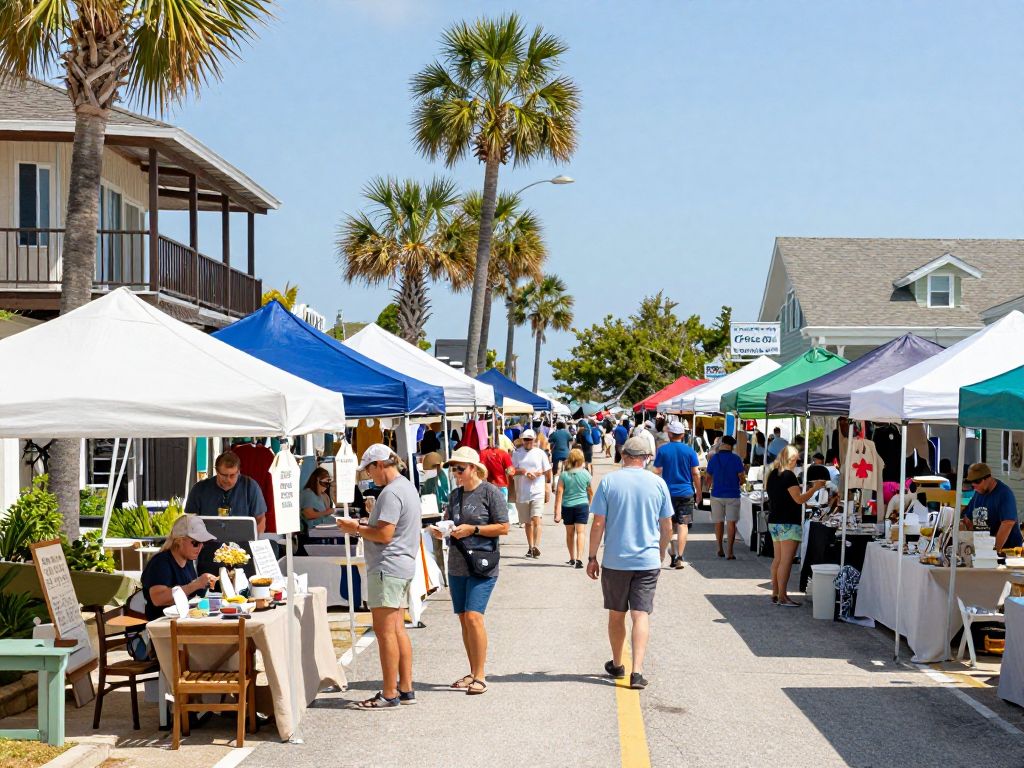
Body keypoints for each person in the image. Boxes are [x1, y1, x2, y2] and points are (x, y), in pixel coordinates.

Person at [336, 444, 422, 709]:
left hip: (388, 566)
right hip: (401, 564)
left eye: (369, 469)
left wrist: (357, 528)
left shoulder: (392, 492)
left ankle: (389, 692)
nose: (368, 476)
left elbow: (384, 535)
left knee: (385, 633)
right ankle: (404, 688)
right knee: (397, 629)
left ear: (380, 465)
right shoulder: (406, 486)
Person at [587, 437, 673, 691]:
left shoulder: (610, 482)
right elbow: (666, 525)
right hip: (647, 560)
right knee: (641, 614)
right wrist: (661, 551)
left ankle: (617, 663)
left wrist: (592, 556)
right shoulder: (658, 483)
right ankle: (637, 671)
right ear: (646, 457)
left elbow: (599, 523)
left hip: (616, 559)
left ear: (623, 455)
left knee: (617, 614)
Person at [430, 447, 509, 696]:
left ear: (474, 468)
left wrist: (473, 530)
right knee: (464, 619)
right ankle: (473, 671)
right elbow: (450, 521)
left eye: (460, 468)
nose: (456, 473)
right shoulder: (455, 496)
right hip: (457, 562)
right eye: (454, 468)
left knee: (474, 617)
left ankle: (481, 675)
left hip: (482, 563)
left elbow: (504, 527)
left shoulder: (490, 492)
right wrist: (441, 530)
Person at [765, 446, 826, 607]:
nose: (798, 462)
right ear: (791, 459)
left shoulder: (772, 474)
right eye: (796, 459)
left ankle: (776, 593)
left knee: (778, 559)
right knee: (785, 561)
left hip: (774, 520)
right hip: (788, 522)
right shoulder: (788, 475)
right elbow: (798, 499)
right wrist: (815, 488)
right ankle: (783, 596)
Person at [141, 515, 217, 621]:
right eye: (195, 543)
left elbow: (191, 593)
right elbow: (158, 599)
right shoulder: (161, 563)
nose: (200, 547)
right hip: (164, 625)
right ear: (179, 541)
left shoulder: (188, 561)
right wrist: (195, 584)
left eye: (202, 543)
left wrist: (204, 584)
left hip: (184, 621)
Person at [652, 421, 702, 569]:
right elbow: (695, 473)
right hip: (686, 493)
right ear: (683, 434)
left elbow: (656, 471)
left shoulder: (662, 450)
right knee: (683, 524)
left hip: (667, 493)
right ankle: (680, 556)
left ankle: (673, 555)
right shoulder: (690, 451)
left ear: (669, 434)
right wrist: (699, 492)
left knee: (670, 525)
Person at [184, 450, 268, 533]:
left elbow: (260, 520)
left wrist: (254, 542)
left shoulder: (250, 487)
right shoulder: (199, 489)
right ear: (216, 471)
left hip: (242, 543)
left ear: (239, 472)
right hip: (207, 543)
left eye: (232, 475)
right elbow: (190, 520)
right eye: (224, 475)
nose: (228, 479)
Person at [508, 429, 552, 558]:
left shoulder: (540, 453)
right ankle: (530, 546)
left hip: (537, 491)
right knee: (527, 522)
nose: (528, 442)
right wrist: (523, 472)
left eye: (530, 439)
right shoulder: (517, 454)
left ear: (534, 440)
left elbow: (547, 470)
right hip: (522, 492)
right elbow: (511, 471)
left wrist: (546, 484)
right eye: (526, 439)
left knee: (536, 518)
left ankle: (536, 546)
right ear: (522, 440)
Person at [962, 463, 1024, 550]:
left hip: (1006, 551)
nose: (974, 485)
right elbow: (968, 519)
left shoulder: (1004, 494)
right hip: (983, 549)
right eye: (971, 482)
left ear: (988, 478)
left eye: (977, 481)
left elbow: (1008, 523)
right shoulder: (978, 493)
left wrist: (994, 551)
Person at [706, 435, 746, 560]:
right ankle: (730, 551)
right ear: (732, 446)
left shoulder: (714, 458)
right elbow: (742, 478)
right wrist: (740, 482)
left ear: (722, 444)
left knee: (718, 522)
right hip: (733, 494)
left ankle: (719, 548)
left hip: (717, 493)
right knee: (731, 523)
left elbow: (708, 477)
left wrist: (708, 488)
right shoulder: (736, 459)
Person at [554, 448, 594, 568]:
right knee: (581, 532)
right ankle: (579, 559)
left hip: (567, 507)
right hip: (582, 505)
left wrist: (557, 512)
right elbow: (590, 492)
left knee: (570, 533)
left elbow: (559, 494)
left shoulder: (564, 475)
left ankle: (571, 558)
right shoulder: (586, 474)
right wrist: (590, 505)